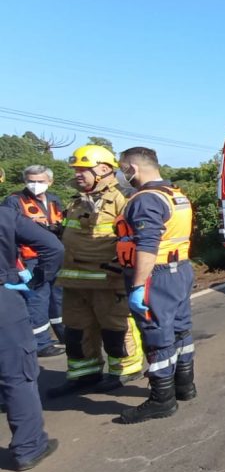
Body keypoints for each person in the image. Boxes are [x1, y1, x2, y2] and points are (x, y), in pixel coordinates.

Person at [48, 145, 145, 398]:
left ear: (104, 169)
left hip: (109, 280)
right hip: (74, 280)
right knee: (77, 331)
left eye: (84, 169)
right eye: (76, 170)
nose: (78, 174)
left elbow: (138, 238)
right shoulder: (78, 200)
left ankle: (124, 370)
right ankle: (84, 374)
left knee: (115, 329)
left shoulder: (125, 198)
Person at [115, 147, 196, 424]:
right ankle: (185, 386)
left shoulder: (145, 200)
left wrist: (138, 285)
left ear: (132, 169)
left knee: (156, 335)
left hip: (156, 275)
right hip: (181, 269)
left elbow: (147, 246)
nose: (120, 174)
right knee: (180, 330)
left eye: (121, 168)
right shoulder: (175, 194)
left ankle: (162, 400)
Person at [1, 204, 61, 470]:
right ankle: (29, 447)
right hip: (4, 300)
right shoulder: (5, 216)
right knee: (18, 375)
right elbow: (53, 247)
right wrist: (39, 278)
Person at [3, 165, 66, 357]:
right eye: (31, 181)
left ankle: (64, 334)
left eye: (40, 181)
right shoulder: (13, 201)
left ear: (50, 182)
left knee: (59, 298)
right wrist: (18, 266)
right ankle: (40, 343)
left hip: (55, 256)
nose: (35, 185)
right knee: (37, 299)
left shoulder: (54, 200)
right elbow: (9, 233)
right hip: (30, 259)